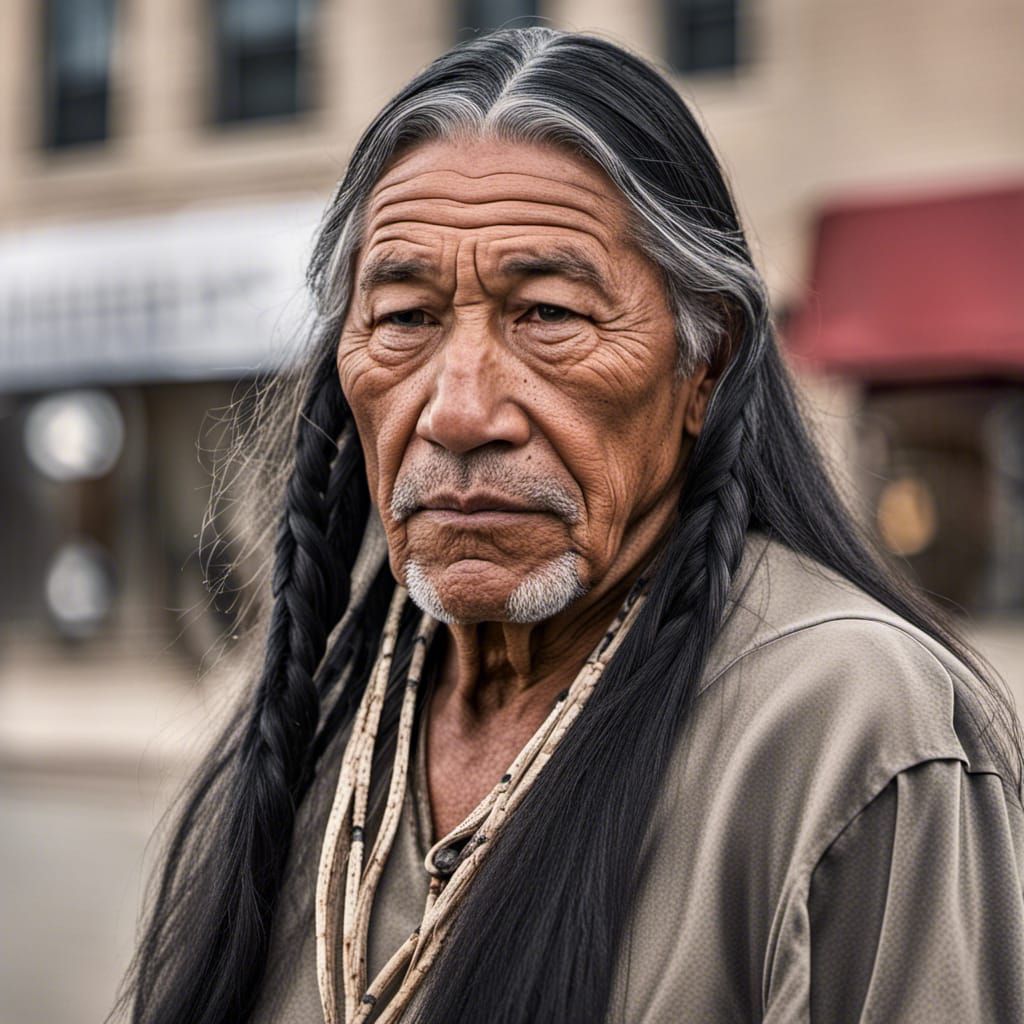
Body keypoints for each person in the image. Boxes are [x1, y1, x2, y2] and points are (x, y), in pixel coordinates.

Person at [117, 28, 1024, 1024]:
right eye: (408, 318)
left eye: (547, 313)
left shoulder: (850, 725)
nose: (459, 411)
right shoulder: (312, 734)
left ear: (703, 363)